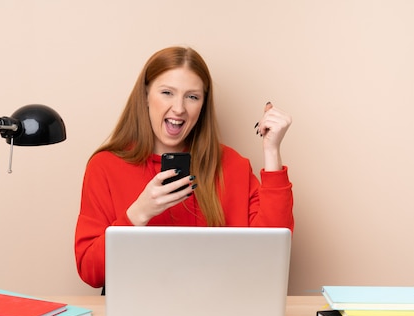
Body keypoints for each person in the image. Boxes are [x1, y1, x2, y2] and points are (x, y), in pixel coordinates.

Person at [74, 46, 294, 290]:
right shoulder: (105, 166)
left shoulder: (233, 165)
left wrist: (272, 151)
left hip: (218, 310)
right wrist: (138, 213)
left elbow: (270, 254)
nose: (179, 108)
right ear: (145, 95)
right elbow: (90, 271)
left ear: (202, 105)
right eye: (167, 92)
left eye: (192, 97)